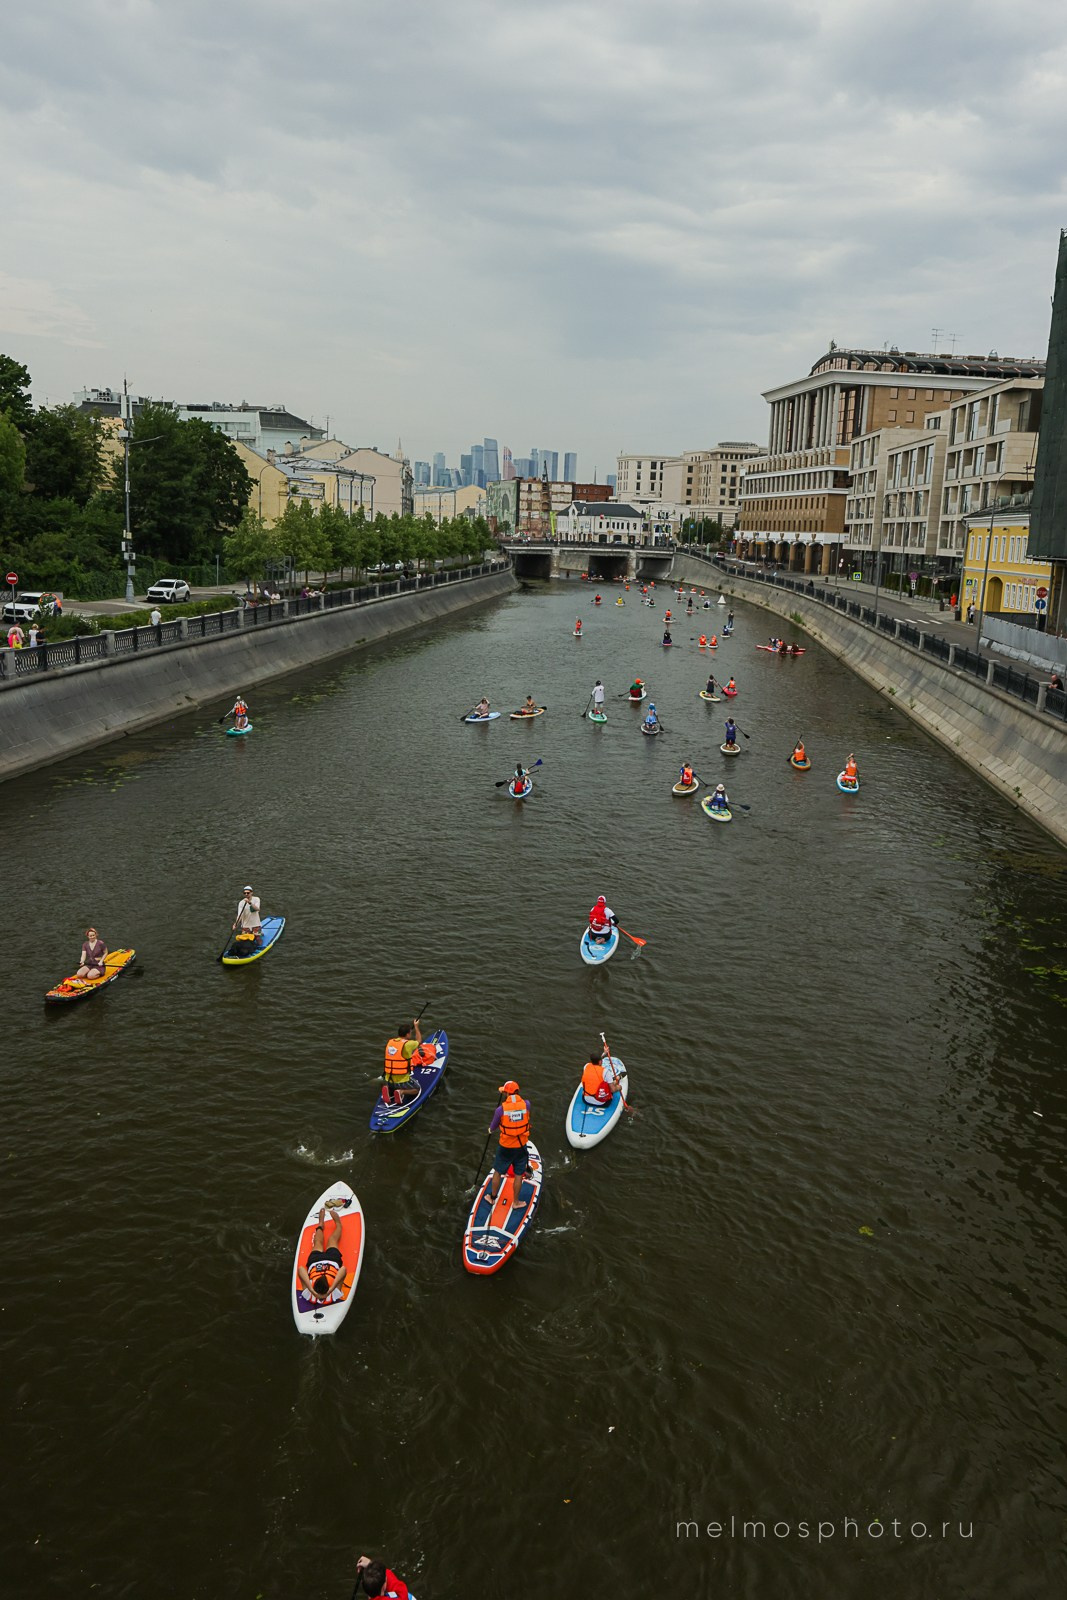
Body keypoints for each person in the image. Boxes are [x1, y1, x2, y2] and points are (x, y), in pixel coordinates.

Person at [487, 1080, 532, 1205]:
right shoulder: (526, 1104)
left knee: (498, 1171)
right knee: (519, 1174)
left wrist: (490, 1130)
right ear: (517, 1092)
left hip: (506, 1147)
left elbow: (493, 1126)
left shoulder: (500, 1110)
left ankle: (492, 1197)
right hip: (521, 1146)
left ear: (506, 1093)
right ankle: (516, 1202)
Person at [296, 1204, 348, 1307]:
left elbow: (343, 1270)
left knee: (324, 1242)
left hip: (327, 1260)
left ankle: (325, 1223)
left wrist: (313, 1291)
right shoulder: (332, 1294)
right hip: (319, 1260)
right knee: (325, 1241)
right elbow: (344, 1269)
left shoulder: (331, 1295)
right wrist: (329, 1291)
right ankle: (336, 1223)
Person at [382, 1017, 427, 1104]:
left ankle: (388, 1090)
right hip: (402, 1081)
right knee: (417, 1089)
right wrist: (416, 1026)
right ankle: (401, 1092)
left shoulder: (390, 1042)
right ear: (407, 1034)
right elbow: (419, 1040)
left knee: (392, 1084)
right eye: (410, 1033)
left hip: (389, 1079)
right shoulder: (408, 1044)